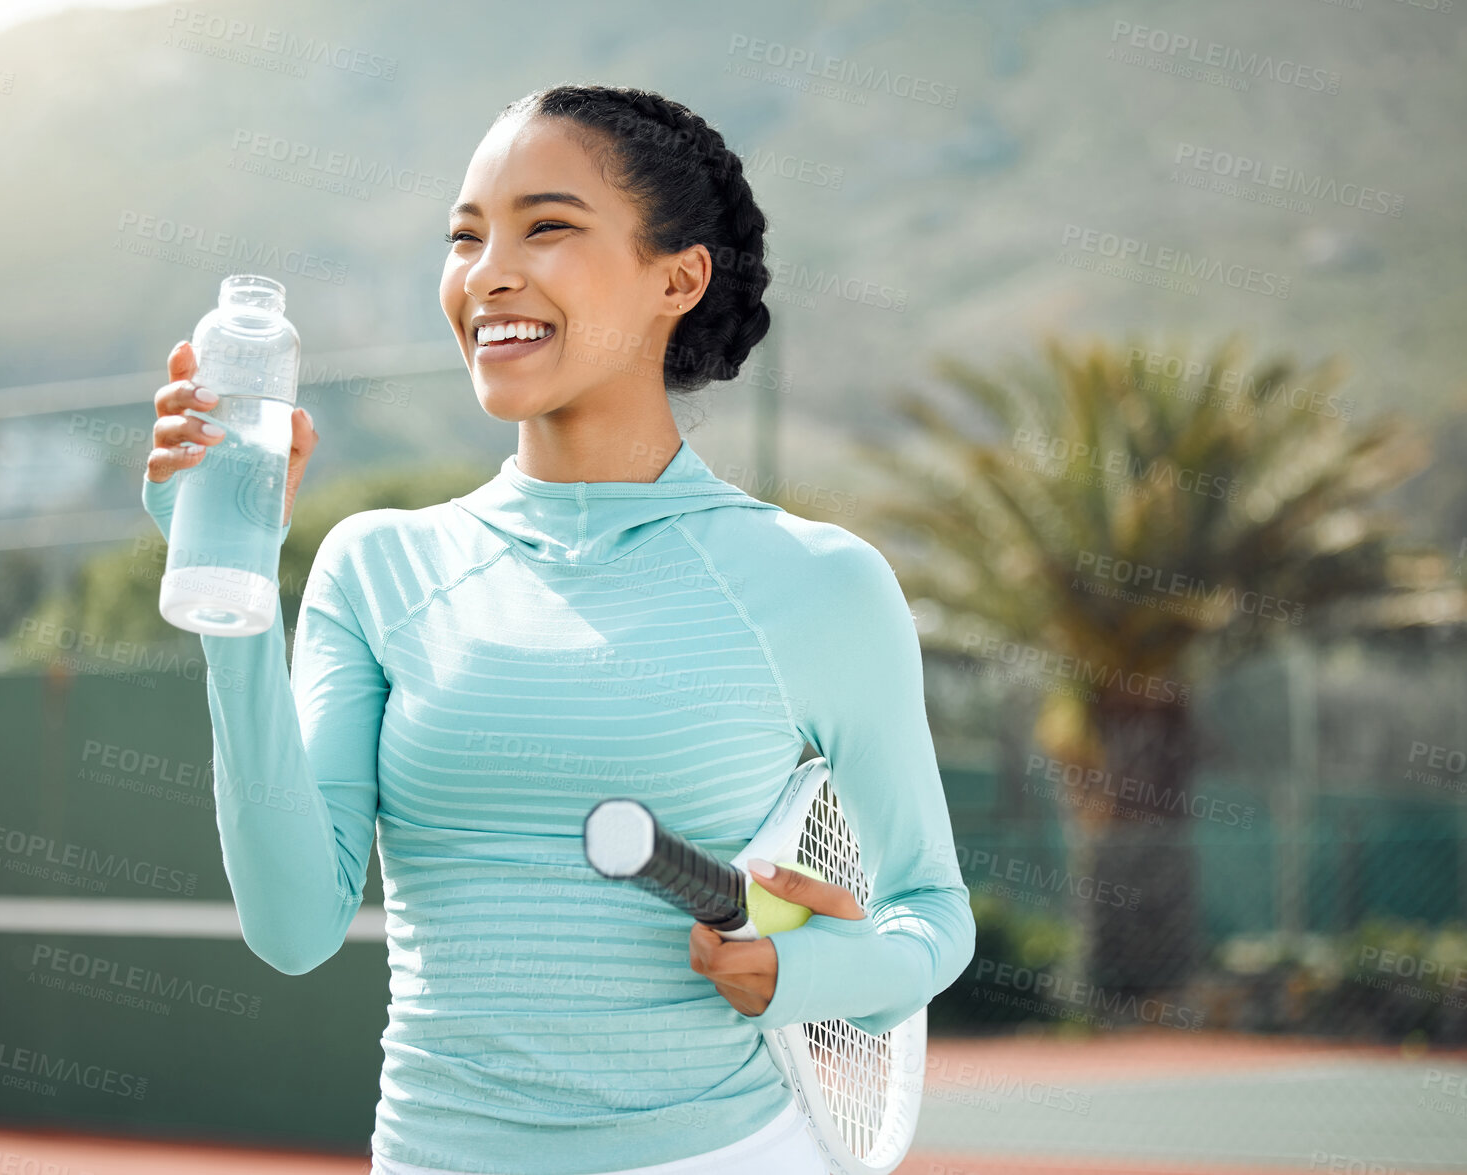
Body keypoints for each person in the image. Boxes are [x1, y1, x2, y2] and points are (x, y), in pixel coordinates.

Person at [143, 83, 974, 1175]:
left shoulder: (820, 583)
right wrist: (230, 584)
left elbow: (931, 919)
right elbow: (294, 925)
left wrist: (809, 971)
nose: (488, 271)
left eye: (546, 227)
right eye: (464, 236)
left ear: (678, 278)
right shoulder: (376, 564)